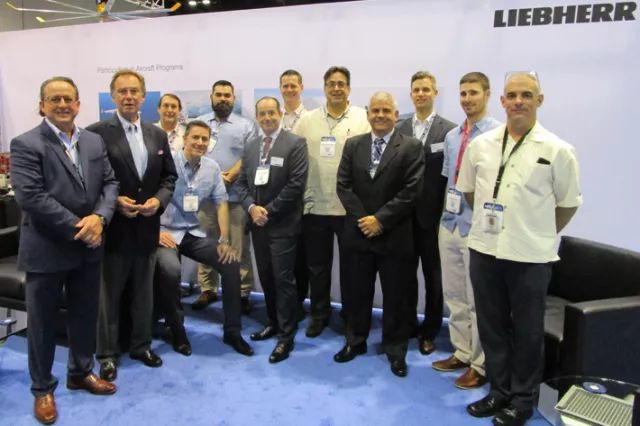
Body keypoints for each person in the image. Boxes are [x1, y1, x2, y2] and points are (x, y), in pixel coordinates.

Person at [458, 72, 581, 426]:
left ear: (539, 100)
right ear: (501, 101)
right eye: (511, 95)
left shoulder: (558, 149)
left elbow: (568, 204)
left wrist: (537, 233)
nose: (518, 101)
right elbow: (470, 193)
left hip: (530, 257)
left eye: (526, 95)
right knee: (492, 326)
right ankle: (499, 391)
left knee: (527, 332)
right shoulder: (481, 145)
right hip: (484, 250)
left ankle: (523, 400)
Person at [10, 76, 118, 424]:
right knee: (42, 323)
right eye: (54, 99)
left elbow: (110, 183)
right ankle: (42, 388)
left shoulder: (93, 140)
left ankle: (80, 372)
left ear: (78, 104)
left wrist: (100, 218)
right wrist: (81, 228)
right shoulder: (26, 143)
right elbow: (31, 197)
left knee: (84, 314)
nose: (62, 105)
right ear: (42, 105)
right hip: (47, 248)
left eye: (68, 99)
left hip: (89, 247)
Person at [87, 69, 177, 382]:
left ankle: (141, 346)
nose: (128, 97)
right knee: (108, 297)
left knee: (143, 294)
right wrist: (114, 203)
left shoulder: (157, 134)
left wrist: (158, 201)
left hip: (147, 229)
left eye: (134, 91)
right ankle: (107, 355)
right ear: (113, 96)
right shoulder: (96, 134)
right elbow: (89, 182)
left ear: (143, 96)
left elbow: (169, 177)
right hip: (114, 230)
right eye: (122, 91)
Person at [335, 92, 424, 378]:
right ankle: (355, 341)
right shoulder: (353, 145)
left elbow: (412, 190)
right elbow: (343, 186)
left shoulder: (411, 147)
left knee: (396, 296)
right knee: (355, 292)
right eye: (375, 110)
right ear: (368, 114)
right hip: (359, 233)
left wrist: (381, 220)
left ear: (396, 115)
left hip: (394, 235)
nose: (380, 115)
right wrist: (365, 220)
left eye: (386, 110)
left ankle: (395, 350)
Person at [155, 120, 254, 357]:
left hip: (192, 233)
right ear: (185, 139)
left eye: (204, 139)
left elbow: (221, 203)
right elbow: (150, 197)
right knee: (170, 270)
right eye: (195, 138)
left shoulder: (211, 167)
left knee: (230, 262)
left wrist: (224, 240)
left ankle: (232, 331)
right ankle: (176, 330)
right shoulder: (167, 162)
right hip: (166, 233)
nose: (200, 143)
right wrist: (156, 232)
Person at [431, 72, 502, 389]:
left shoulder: (499, 135)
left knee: (478, 300)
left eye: (473, 92)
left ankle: (481, 364)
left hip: (479, 228)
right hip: (450, 223)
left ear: (487, 94)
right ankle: (461, 352)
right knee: (455, 296)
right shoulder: (452, 136)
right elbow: (450, 178)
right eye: (463, 93)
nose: (467, 99)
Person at [292, 66, 370, 338]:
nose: (336, 88)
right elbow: (296, 160)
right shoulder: (307, 121)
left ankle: (350, 315)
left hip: (350, 208)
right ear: (324, 88)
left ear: (349, 88)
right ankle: (319, 314)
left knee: (351, 270)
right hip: (315, 206)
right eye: (331, 84)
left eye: (341, 84)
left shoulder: (363, 118)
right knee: (317, 267)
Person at [236, 97, 308, 363]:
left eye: (271, 113)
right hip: (258, 225)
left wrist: (267, 211)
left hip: (283, 224)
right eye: (262, 114)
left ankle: (286, 336)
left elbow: (296, 184)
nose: (267, 118)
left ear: (280, 113)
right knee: (266, 277)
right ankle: (273, 322)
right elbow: (241, 184)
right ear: (257, 117)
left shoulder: (295, 143)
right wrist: (252, 208)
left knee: (283, 279)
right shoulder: (252, 146)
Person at [396, 71, 456, 355]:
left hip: (433, 218)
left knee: (434, 277)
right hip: (402, 217)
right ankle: (408, 324)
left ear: (435, 93)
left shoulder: (450, 131)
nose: (421, 94)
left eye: (426, 89)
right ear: (411, 94)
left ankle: (430, 330)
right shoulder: (399, 127)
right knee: (404, 275)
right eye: (416, 90)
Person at [193, 80, 258, 314]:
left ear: (233, 99)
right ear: (211, 97)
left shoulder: (246, 125)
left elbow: (251, 154)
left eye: (227, 95)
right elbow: (191, 151)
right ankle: (207, 288)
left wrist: (231, 174)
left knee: (238, 247)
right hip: (205, 198)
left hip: (235, 196)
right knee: (206, 245)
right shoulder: (199, 123)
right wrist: (212, 177)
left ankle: (242, 293)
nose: (223, 98)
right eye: (218, 94)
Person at [279, 69, 308, 314]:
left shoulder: (311, 119)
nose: (289, 89)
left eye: (293, 85)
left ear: (301, 87)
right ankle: (286, 304)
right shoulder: (273, 118)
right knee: (282, 258)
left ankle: (299, 303)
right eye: (285, 86)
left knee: (301, 256)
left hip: (303, 195)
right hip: (277, 197)